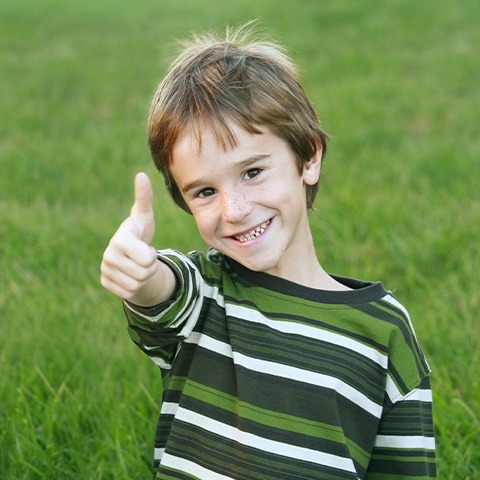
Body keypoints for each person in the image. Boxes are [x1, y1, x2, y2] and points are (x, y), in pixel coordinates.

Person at [100, 24, 436, 480]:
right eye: (203, 192)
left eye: (253, 171)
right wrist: (142, 278)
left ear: (309, 158)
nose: (233, 210)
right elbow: (164, 292)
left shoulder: (383, 332)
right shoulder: (204, 295)